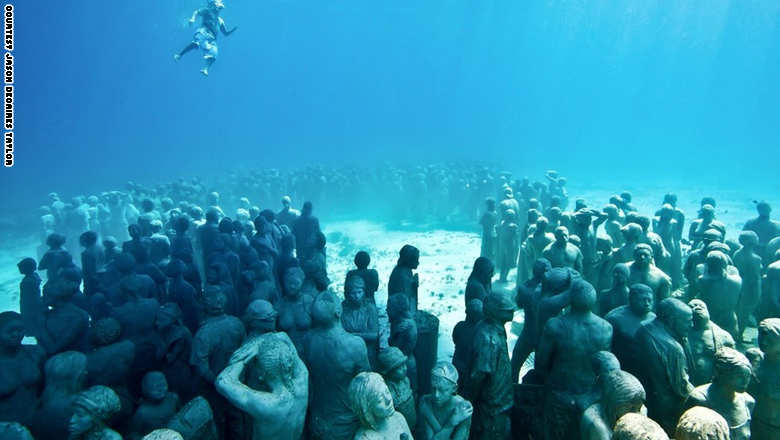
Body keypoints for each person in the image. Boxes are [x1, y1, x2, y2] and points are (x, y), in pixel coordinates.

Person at [216, 332, 309, 440]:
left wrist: (245, 356)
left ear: (261, 374)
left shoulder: (267, 404)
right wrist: (263, 342)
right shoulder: (303, 379)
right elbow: (284, 336)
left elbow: (222, 381)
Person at [634, 298, 694, 435]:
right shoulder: (673, 349)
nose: (691, 325)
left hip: (647, 397)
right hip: (667, 406)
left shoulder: (644, 328)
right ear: (671, 320)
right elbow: (682, 388)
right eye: (687, 321)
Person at [466, 290, 514, 440]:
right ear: (495, 312)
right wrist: (469, 401)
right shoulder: (488, 339)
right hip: (492, 407)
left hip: (499, 403)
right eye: (507, 309)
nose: (512, 310)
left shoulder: (495, 327)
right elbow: (479, 374)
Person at [684, 347, 755, 440]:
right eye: (739, 376)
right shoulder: (699, 400)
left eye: (748, 376)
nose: (745, 381)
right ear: (719, 372)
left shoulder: (748, 402)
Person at [174, 0, 238, 76]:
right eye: (219, 2)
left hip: (212, 39)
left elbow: (225, 33)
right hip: (203, 32)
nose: (221, 3)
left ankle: (205, 69)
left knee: (214, 54)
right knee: (197, 43)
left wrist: (232, 31)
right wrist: (192, 19)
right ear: (214, 4)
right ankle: (179, 55)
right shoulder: (207, 11)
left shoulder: (220, 20)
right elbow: (196, 12)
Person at [349, 372, 412, 440]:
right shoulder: (365, 438)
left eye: (387, 392)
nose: (388, 400)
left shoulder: (398, 418)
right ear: (367, 409)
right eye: (380, 400)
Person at [417, 362, 473, 440]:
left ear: (454, 389)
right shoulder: (425, 402)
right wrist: (451, 422)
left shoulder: (463, 409)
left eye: (442, 390)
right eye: (433, 388)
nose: (436, 395)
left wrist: (429, 416)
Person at [687, 299, 735, 386]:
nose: (697, 307)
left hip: (712, 385)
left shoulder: (724, 337)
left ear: (708, 312)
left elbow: (733, 365)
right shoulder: (681, 333)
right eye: (692, 306)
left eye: (701, 306)